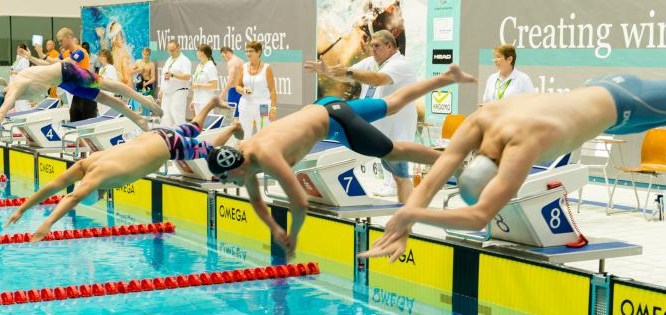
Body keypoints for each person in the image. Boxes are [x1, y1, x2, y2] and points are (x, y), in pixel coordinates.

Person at [360, 72, 666, 261]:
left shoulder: (524, 143)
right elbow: (440, 170)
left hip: (626, 99)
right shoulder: (484, 120)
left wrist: (409, 211)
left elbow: (480, 215)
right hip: (603, 104)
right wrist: (407, 222)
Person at [204, 65, 476, 259]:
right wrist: (276, 229)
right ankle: (445, 77)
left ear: (236, 168)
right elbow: (257, 202)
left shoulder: (266, 156)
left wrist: (293, 237)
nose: (228, 183)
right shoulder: (245, 158)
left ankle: (451, 157)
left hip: (336, 124)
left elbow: (299, 202)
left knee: (391, 152)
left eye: (225, 179)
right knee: (392, 103)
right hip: (326, 105)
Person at [4, 96, 242, 242]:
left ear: (95, 193)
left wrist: (47, 224)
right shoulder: (89, 162)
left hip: (167, 146)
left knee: (208, 150)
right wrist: (22, 209)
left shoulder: (96, 178)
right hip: (156, 134)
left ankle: (233, 129)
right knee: (192, 127)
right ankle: (211, 103)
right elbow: (55, 185)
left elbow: (73, 196)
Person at [305, 30, 418, 202]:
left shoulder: (401, 64)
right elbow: (347, 75)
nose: (372, 49)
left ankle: (397, 185)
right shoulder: (371, 62)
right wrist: (326, 71)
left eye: (377, 46)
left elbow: (378, 79)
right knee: (382, 147)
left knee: (396, 148)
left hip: (399, 116)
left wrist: (349, 72)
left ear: (389, 46)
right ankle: (389, 182)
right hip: (379, 113)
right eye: (371, 46)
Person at [0, 57, 162, 144]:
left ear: (3, 96)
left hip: (67, 71)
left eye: (5, 103)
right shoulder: (10, 88)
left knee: (106, 85)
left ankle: (143, 99)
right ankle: (139, 120)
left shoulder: (15, 88)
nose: (7, 105)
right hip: (64, 83)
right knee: (103, 98)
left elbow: (1, 113)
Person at [22, 28, 98, 121]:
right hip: (77, 94)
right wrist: (30, 57)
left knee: (87, 124)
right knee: (74, 123)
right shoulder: (65, 53)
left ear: (69, 37)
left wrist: (43, 55)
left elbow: (65, 63)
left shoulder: (80, 51)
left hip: (88, 92)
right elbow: (49, 63)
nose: (60, 44)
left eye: (61, 41)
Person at [237, 41, 276, 138]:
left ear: (259, 52)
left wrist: (273, 110)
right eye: (247, 51)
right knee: (244, 134)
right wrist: (244, 91)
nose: (248, 54)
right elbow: (238, 86)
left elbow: (273, 90)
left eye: (251, 51)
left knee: (264, 134)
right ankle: (244, 152)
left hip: (263, 105)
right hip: (245, 105)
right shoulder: (243, 67)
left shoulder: (267, 68)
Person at [159, 40, 192, 127]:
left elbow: (187, 76)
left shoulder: (184, 60)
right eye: (169, 50)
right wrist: (161, 89)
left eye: (173, 50)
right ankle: (167, 136)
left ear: (178, 48)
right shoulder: (169, 60)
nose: (171, 52)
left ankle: (182, 135)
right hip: (167, 92)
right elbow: (164, 75)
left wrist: (173, 75)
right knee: (165, 115)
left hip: (179, 91)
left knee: (177, 114)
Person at [189, 44, 218, 116]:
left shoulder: (210, 66)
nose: (196, 53)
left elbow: (214, 85)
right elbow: (195, 84)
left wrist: (199, 85)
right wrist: (193, 100)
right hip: (197, 100)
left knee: (207, 125)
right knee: (199, 125)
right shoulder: (199, 66)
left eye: (198, 51)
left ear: (203, 53)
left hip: (206, 101)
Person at [218, 46, 243, 120]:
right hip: (241, 90)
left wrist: (223, 93)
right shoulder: (241, 61)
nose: (223, 59)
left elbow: (231, 79)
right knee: (240, 115)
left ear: (227, 53)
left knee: (231, 117)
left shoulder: (231, 62)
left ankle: (233, 131)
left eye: (223, 56)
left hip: (234, 91)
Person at [10, 43, 32, 111]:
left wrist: (14, 72)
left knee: (23, 103)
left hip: (21, 85)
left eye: (18, 48)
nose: (17, 50)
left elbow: (25, 71)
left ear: (22, 50)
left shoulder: (24, 59)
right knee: (18, 104)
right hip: (15, 85)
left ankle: (28, 116)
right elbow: (14, 68)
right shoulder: (18, 59)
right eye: (17, 48)